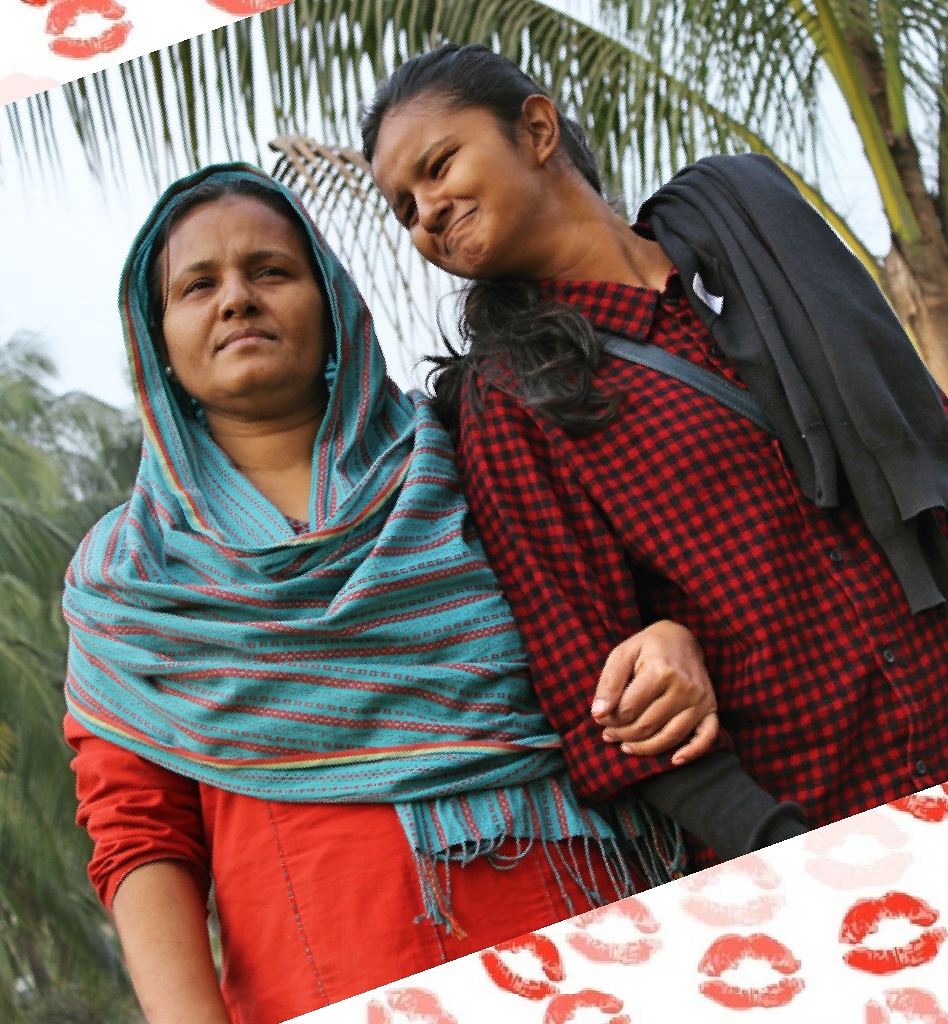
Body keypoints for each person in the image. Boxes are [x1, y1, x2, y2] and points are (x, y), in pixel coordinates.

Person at [62, 164, 800, 1024]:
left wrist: (670, 635)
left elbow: (624, 591)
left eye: (271, 271)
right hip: (328, 979)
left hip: (605, 950)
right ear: (156, 336)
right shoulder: (129, 577)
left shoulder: (469, 444)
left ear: (332, 304)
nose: (237, 299)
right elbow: (140, 834)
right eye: (198, 285)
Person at [362, 43, 948, 871]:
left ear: (535, 129)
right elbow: (593, 688)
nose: (425, 212)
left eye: (438, 166)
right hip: (831, 820)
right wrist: (776, 848)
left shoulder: (764, 265)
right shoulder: (513, 402)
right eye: (404, 207)